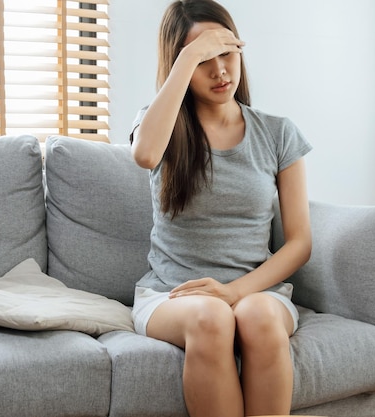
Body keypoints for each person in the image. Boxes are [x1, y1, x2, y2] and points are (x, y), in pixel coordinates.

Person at [129, 1, 313, 416]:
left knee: (258, 317)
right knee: (212, 318)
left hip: (254, 291)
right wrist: (187, 56)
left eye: (226, 54)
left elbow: (299, 242)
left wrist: (234, 291)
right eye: (202, 60)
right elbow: (144, 155)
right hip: (171, 296)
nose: (221, 72)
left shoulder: (278, 133)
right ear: (179, 63)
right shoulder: (159, 125)